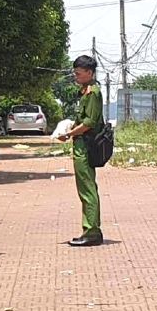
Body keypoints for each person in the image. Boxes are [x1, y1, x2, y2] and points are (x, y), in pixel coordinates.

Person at [57, 55, 104, 247]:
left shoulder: (93, 93)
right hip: (80, 144)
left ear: (89, 73)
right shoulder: (83, 91)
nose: (75, 75)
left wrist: (69, 134)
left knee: (87, 188)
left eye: (79, 72)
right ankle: (89, 229)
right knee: (84, 187)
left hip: (86, 145)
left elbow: (89, 122)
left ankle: (92, 231)